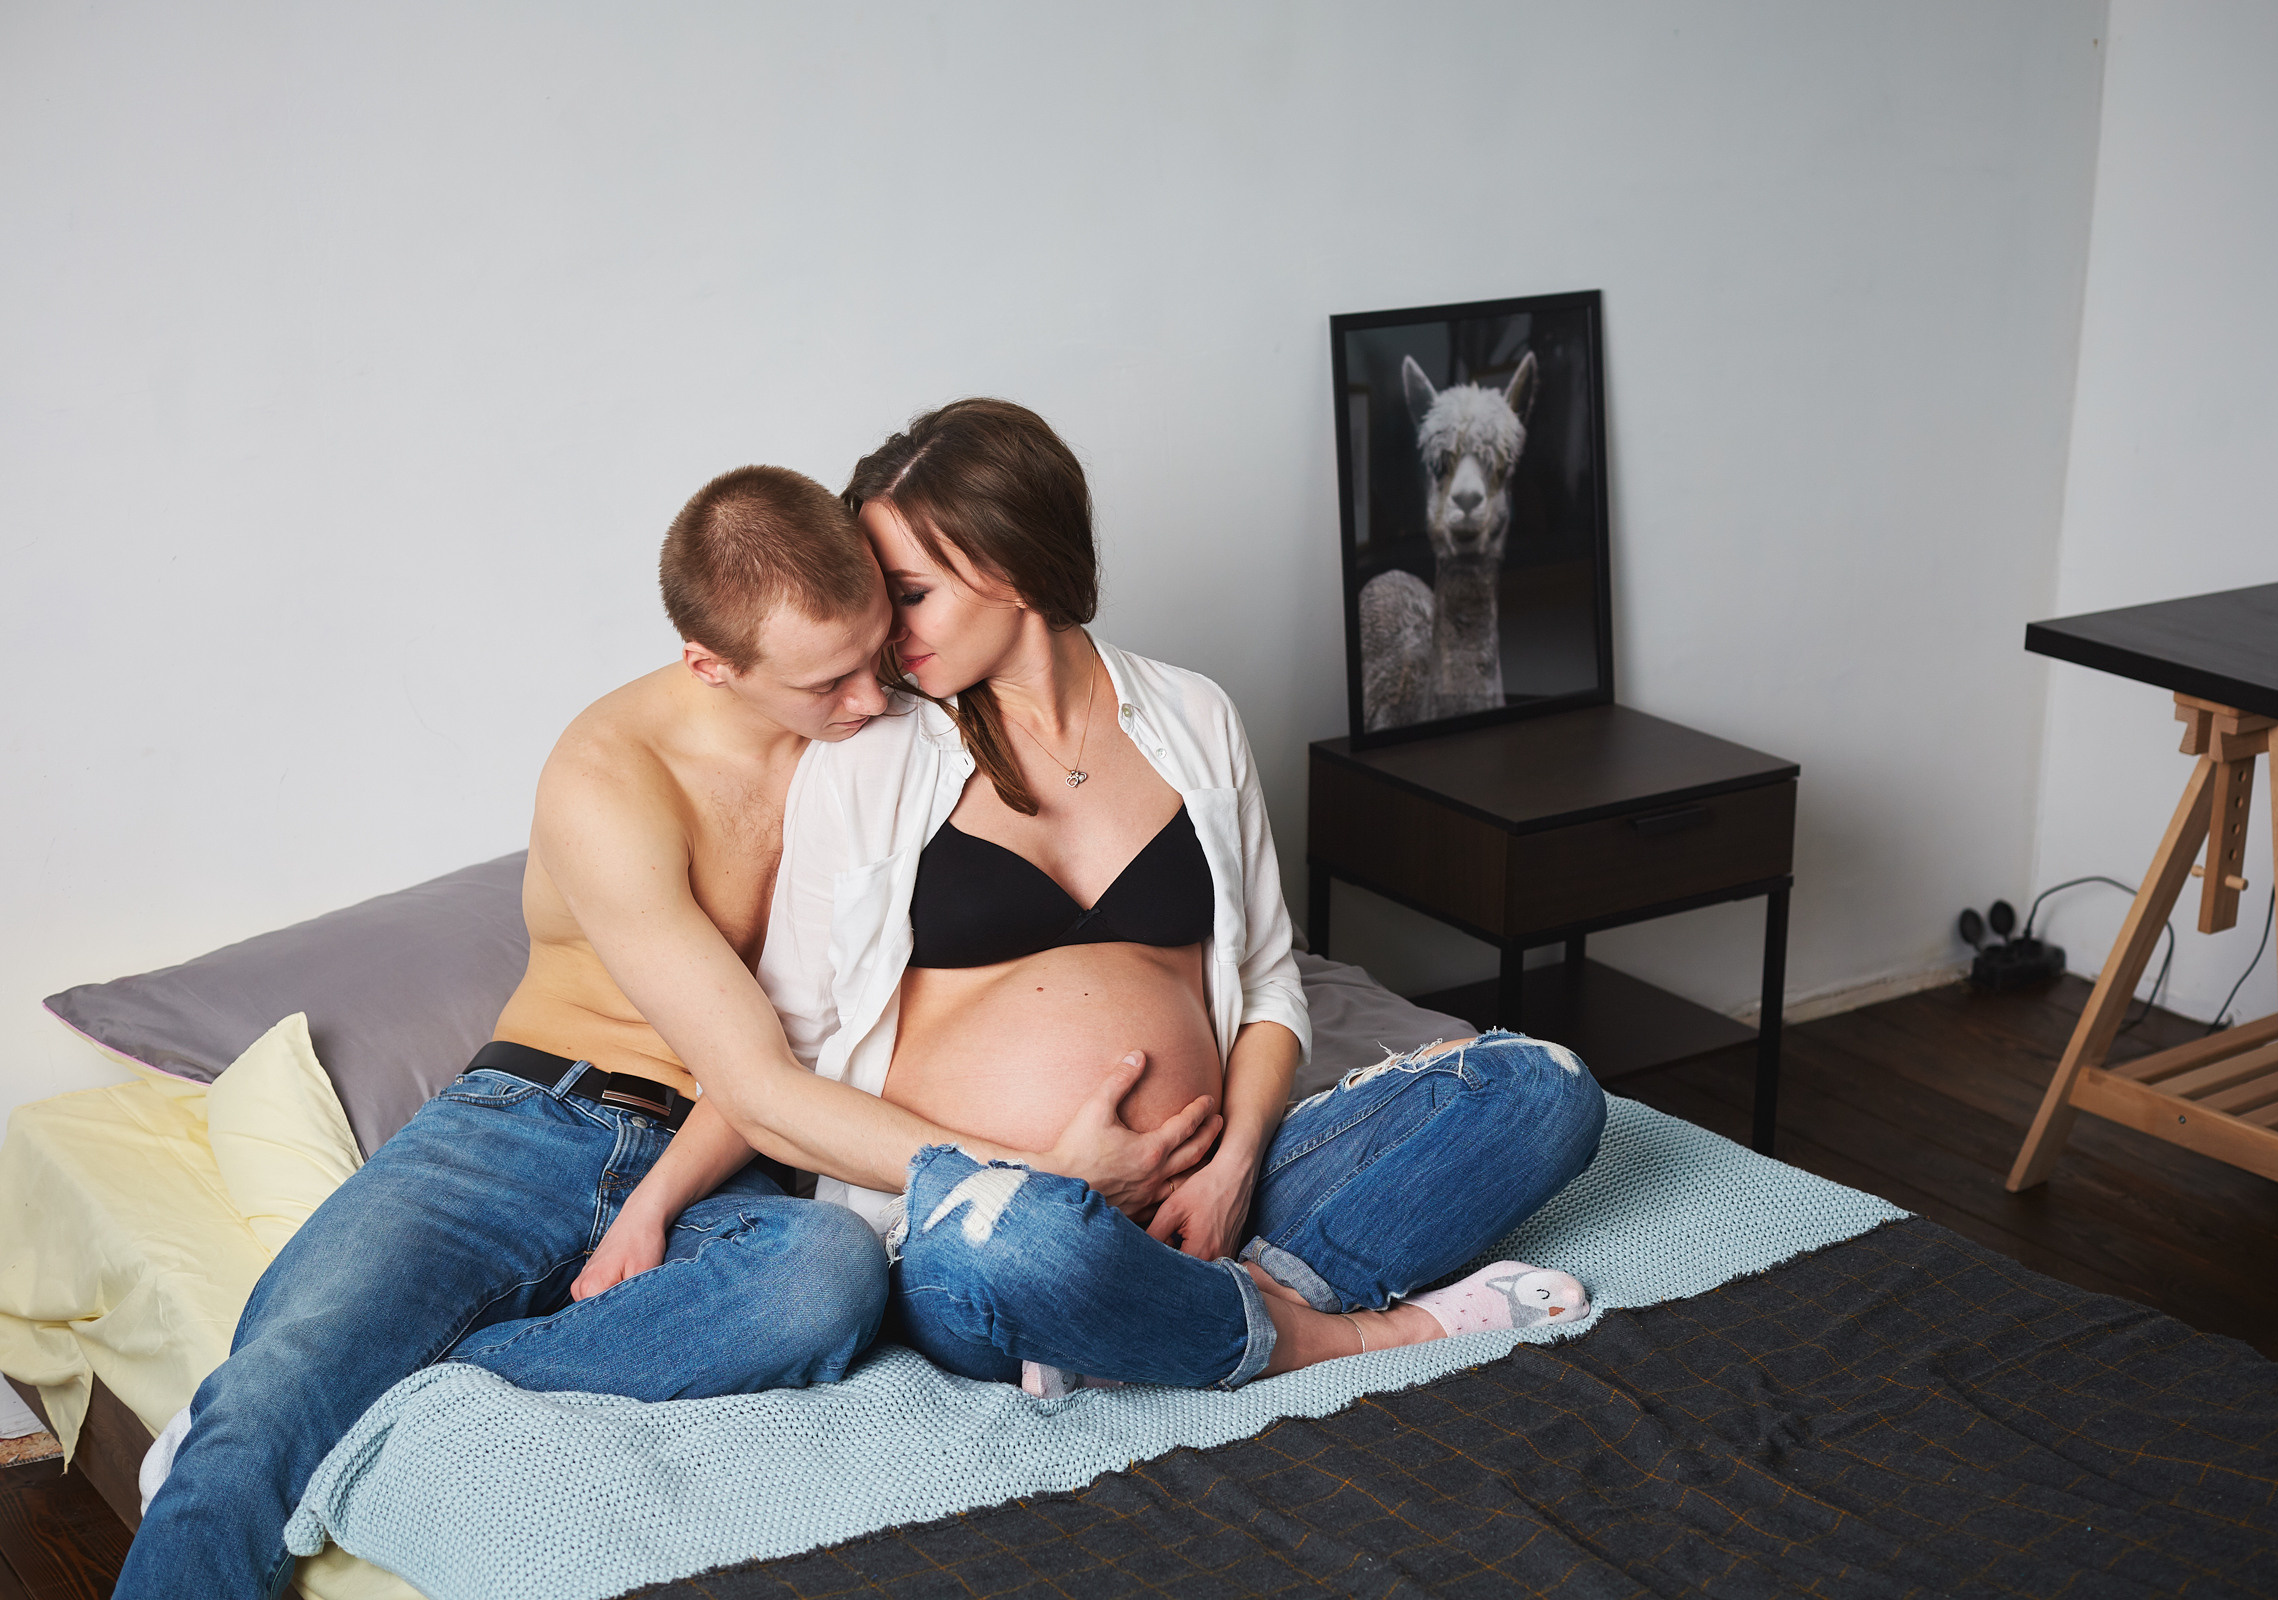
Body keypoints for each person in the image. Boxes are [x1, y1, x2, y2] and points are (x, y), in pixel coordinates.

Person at [119, 465, 1220, 1600]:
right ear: (712, 665)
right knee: (268, 1395)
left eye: (874, 651)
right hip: (532, 1126)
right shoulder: (612, 775)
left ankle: (403, 1391)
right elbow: (752, 1068)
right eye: (827, 681)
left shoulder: (898, 730)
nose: (869, 696)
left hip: (732, 1167)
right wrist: (1036, 1180)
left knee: (828, 1275)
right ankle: (294, 1409)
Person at [583, 402, 1610, 1393]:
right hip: (983, 1219)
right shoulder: (869, 757)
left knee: (1544, 1087)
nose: (885, 636)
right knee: (1020, 1253)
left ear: (1013, 565)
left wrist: (1234, 1164)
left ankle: (1169, 1309)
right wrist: (654, 1203)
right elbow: (782, 1052)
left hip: (1212, 1195)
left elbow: (1265, 982)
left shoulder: (1194, 716)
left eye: (909, 593)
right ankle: (1339, 1335)